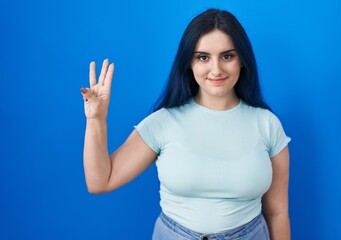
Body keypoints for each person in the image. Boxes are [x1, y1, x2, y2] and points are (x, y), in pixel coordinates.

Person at [80, 9, 291, 240]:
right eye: (203, 57)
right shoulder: (163, 122)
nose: (216, 69)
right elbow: (100, 181)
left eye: (227, 56)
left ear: (242, 60)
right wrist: (96, 119)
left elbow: (277, 212)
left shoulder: (267, 125)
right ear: (189, 63)